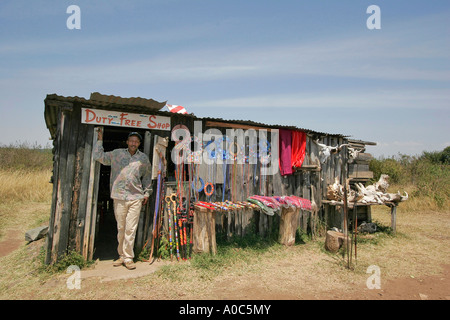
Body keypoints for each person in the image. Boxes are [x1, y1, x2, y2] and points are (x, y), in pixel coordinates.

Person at [94, 130, 152, 270]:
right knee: (121, 228)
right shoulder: (117, 154)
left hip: (135, 197)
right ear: (127, 142)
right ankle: (121, 255)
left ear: (139, 144)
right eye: (131, 140)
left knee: (130, 229)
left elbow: (147, 177)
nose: (133, 143)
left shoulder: (143, 159)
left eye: (136, 141)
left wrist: (146, 193)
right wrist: (100, 140)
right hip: (119, 196)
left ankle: (128, 257)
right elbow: (99, 156)